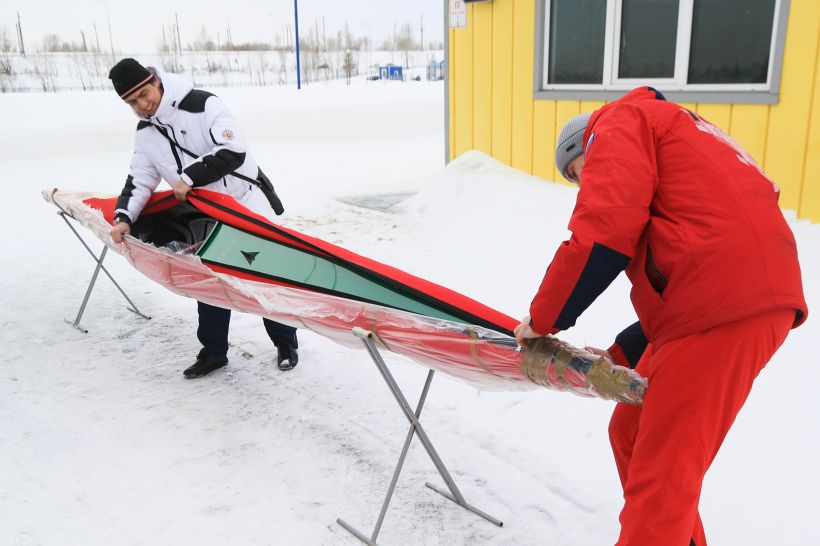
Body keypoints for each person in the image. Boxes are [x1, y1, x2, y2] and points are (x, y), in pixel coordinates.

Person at [514, 86, 807, 545]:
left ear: (586, 143)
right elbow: (678, 280)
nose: (583, 181)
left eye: (578, 170)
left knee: (663, 478)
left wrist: (542, 320)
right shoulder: (670, 131)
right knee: (630, 430)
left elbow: (603, 235)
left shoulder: (619, 124)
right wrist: (617, 354)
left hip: (726, 303)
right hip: (722, 295)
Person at [107, 58, 299, 378]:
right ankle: (213, 353)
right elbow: (139, 179)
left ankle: (285, 342)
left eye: (144, 93)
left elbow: (233, 150)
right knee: (209, 283)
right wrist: (124, 216)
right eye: (133, 102)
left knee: (265, 276)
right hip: (206, 215)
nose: (143, 104)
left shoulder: (203, 105)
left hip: (246, 204)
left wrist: (189, 177)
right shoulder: (146, 134)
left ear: (154, 80)